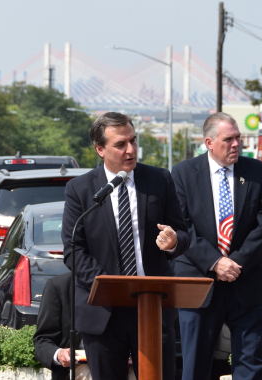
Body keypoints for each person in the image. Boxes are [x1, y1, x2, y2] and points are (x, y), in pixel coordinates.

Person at [62, 112, 190, 380]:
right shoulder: (81, 189)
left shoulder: (159, 180)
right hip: (103, 311)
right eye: (120, 144)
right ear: (100, 149)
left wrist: (173, 241)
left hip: (153, 306)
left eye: (133, 140)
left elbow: (182, 234)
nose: (131, 150)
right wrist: (110, 285)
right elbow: (74, 250)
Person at [171, 112, 262, 380]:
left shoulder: (257, 172)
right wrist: (216, 262)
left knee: (252, 366)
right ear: (209, 142)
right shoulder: (183, 174)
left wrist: (233, 263)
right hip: (198, 282)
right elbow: (181, 227)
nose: (236, 144)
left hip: (245, 281)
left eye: (238, 137)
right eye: (229, 139)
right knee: (195, 367)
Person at [33, 272, 91, 380]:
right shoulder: (59, 285)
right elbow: (42, 340)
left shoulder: (123, 283)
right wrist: (59, 354)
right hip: (80, 367)